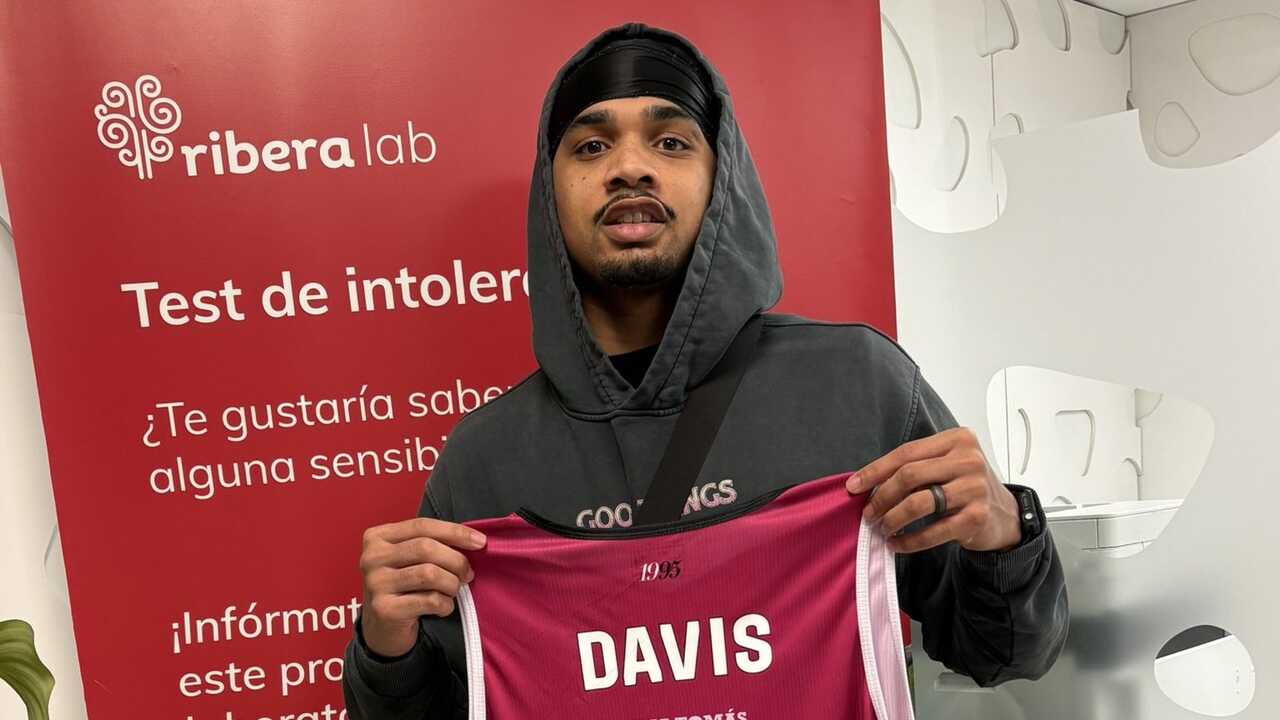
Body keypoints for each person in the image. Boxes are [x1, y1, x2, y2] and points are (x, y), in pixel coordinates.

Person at [342, 23, 1068, 718]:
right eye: (591, 145)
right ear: (550, 189)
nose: (630, 167)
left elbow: (1003, 655)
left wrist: (1007, 531)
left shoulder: (855, 384)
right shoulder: (485, 460)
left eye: (671, 141)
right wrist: (385, 646)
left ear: (722, 178)